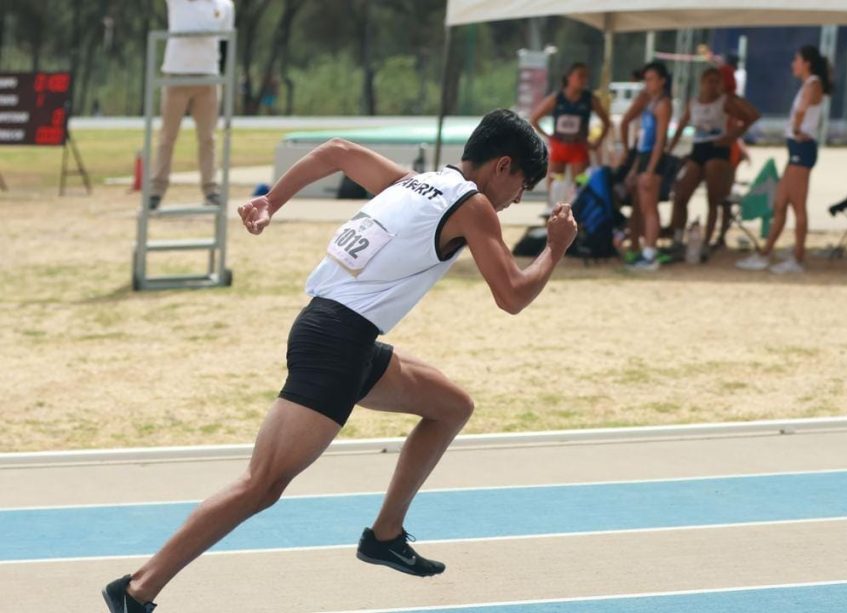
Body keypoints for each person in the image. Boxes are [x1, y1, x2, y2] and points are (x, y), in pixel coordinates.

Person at [101, 109, 576, 613]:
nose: (518, 200)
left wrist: (271, 201)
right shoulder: (474, 206)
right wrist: (555, 250)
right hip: (336, 345)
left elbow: (336, 152)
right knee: (260, 485)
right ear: (503, 166)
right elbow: (512, 296)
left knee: (451, 406)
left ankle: (384, 535)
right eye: (523, 185)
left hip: (341, 334)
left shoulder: (414, 183)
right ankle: (137, 589)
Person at [737, 45, 832, 274]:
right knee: (780, 203)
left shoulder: (813, 84)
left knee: (797, 205)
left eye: (796, 59)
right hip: (796, 148)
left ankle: (797, 257)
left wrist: (797, 128)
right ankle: (766, 252)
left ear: (806, 62)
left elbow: (801, 110)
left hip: (802, 147)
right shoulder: (810, 84)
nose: (793, 64)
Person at [148, 0, 234, 211]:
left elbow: (225, 36)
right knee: (168, 135)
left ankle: (210, 189)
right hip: (176, 74)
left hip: (208, 75)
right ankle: (156, 190)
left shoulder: (224, 5)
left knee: (208, 137)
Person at [666, 67, 760, 254]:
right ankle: (677, 237)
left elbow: (751, 116)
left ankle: (707, 241)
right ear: (702, 82)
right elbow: (680, 127)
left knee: (713, 198)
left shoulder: (725, 102)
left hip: (718, 151)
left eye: (717, 82)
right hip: (698, 149)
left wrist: (733, 136)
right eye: (709, 81)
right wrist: (668, 150)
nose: (713, 85)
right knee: (681, 194)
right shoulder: (693, 103)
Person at [619, 61, 672, 271]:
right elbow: (641, 136)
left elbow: (660, 141)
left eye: (651, 79)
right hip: (644, 156)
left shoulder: (663, 105)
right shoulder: (650, 102)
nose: (646, 84)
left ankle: (650, 253)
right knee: (642, 206)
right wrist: (635, 168)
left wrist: (650, 168)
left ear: (661, 81)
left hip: (653, 158)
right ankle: (645, 250)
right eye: (646, 79)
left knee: (650, 208)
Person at [531, 62, 611, 189]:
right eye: (580, 76)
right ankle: (552, 206)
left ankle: (579, 207)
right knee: (554, 184)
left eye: (586, 77)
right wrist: (548, 136)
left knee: (581, 185)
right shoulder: (557, 98)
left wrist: (596, 143)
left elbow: (606, 122)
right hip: (559, 146)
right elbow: (534, 118)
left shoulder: (590, 99)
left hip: (579, 147)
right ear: (569, 77)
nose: (584, 80)